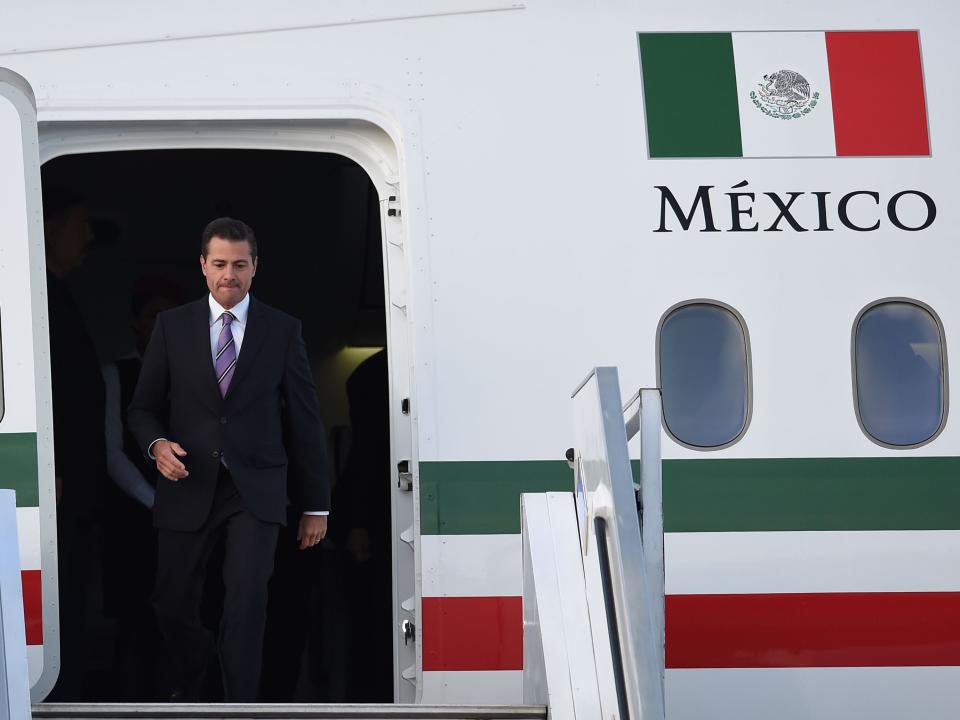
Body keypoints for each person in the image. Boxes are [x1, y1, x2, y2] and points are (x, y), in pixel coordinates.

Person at [127, 217, 331, 702]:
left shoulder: (283, 330)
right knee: (170, 602)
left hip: (255, 489)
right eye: (219, 264)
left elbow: (305, 420)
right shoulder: (172, 328)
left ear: (255, 267)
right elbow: (141, 409)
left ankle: (240, 705)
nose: (229, 275)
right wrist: (157, 446)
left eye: (240, 265)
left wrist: (315, 505)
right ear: (203, 265)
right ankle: (197, 676)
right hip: (188, 482)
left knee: (246, 599)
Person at [100, 277, 182, 699]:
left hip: (186, 522)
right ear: (137, 323)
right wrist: (154, 503)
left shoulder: (193, 378)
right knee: (135, 620)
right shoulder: (117, 374)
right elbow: (112, 454)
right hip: (134, 522)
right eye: (154, 315)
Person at [42, 187, 108, 701]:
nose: (87, 236)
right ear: (49, 226)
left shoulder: (59, 295)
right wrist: (52, 467)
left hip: (75, 491)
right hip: (54, 491)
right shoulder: (33, 297)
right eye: (79, 223)